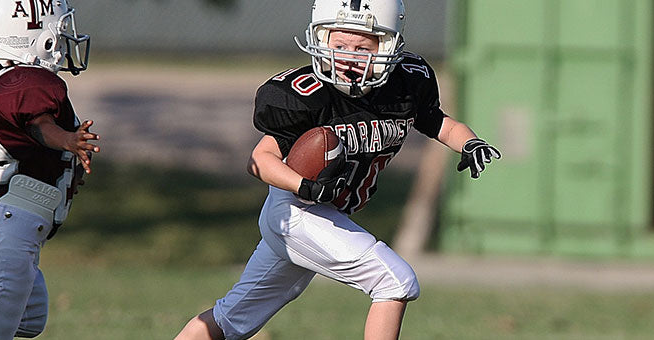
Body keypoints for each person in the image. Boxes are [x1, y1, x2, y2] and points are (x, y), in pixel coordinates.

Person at [175, 0, 500, 339]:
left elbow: (438, 123)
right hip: (296, 210)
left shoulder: (405, 83)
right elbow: (261, 160)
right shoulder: (305, 94)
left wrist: (469, 142)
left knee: (231, 320)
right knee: (394, 280)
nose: (348, 56)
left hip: (326, 214)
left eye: (362, 47)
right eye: (340, 45)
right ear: (320, 39)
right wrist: (304, 186)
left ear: (387, 46)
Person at [0, 1, 96, 339]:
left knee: (30, 319)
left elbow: (24, 144)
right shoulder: (27, 81)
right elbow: (39, 124)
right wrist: (68, 140)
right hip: (7, 232)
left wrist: (66, 172)